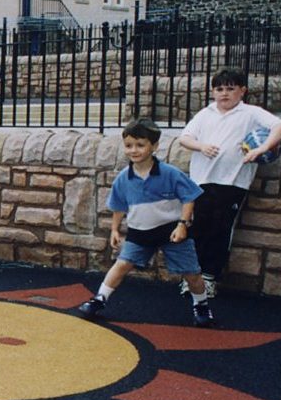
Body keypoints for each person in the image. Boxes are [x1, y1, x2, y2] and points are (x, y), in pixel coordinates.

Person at [76, 118, 215, 327]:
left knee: (192, 273)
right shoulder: (124, 178)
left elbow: (189, 197)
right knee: (122, 264)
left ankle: (201, 305)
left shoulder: (170, 173)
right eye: (129, 145)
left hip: (171, 231)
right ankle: (99, 299)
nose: (134, 150)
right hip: (139, 232)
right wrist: (115, 229)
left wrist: (182, 224)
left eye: (140, 145)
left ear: (154, 146)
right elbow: (119, 205)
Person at [177, 69, 281, 297]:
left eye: (230, 88)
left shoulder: (250, 113)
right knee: (198, 227)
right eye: (219, 89)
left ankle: (209, 278)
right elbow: (184, 138)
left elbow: (279, 127)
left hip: (233, 182)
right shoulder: (205, 114)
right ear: (212, 92)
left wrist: (262, 148)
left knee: (220, 228)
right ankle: (191, 278)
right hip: (201, 180)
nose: (224, 93)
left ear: (242, 90)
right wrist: (201, 146)